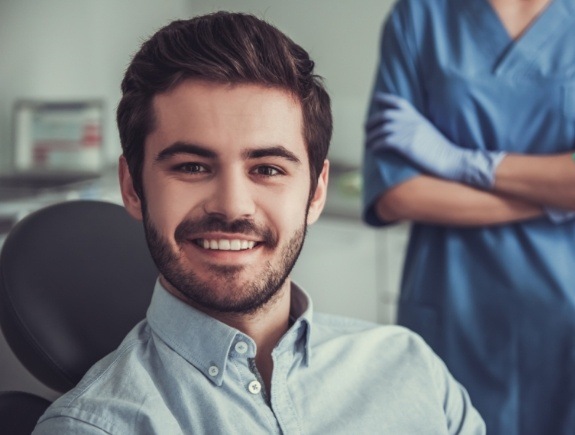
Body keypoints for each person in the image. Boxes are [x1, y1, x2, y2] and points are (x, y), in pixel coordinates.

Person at [33, 12, 484, 434]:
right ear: (133, 187)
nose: (233, 207)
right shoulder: (95, 426)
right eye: (191, 166)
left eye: (268, 168)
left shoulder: (411, 366)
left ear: (317, 191)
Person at [362, 0, 575, 434]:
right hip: (453, 303)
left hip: (564, 315)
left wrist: (463, 163)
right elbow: (397, 192)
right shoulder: (420, 17)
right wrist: (555, 194)